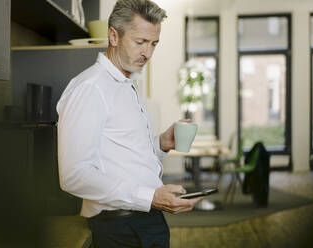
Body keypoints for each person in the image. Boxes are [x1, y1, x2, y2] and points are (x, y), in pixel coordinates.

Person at [56, 0, 203, 247]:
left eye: (154, 43)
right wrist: (150, 197)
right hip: (120, 228)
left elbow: (124, 157)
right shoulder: (91, 88)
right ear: (113, 36)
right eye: (140, 42)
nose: (148, 53)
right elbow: (74, 175)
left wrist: (161, 144)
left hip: (145, 220)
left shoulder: (127, 84)